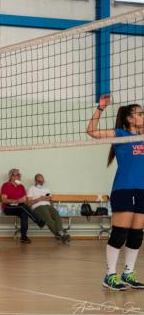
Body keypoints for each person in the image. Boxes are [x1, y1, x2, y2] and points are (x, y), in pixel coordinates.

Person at [87, 94, 144, 291]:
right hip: (124, 189)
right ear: (130, 118)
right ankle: (110, 275)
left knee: (137, 234)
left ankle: (128, 273)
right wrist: (101, 108)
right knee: (120, 233)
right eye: (140, 114)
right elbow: (91, 131)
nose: (143, 116)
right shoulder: (121, 134)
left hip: (142, 190)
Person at [1, 169, 45, 243]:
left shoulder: (21, 186)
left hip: (20, 207)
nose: (19, 176)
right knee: (23, 207)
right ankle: (38, 221)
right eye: (17, 175)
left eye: (20, 175)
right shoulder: (6, 185)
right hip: (8, 207)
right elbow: (4, 200)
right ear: (12, 176)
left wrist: (22, 200)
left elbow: (24, 200)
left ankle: (23, 237)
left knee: (24, 213)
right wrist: (17, 201)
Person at [26, 174, 70, 243]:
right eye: (39, 180)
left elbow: (50, 200)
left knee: (57, 216)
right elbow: (28, 203)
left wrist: (49, 199)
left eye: (42, 181)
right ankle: (61, 234)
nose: (41, 182)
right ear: (35, 181)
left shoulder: (46, 189)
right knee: (48, 219)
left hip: (48, 205)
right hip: (38, 206)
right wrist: (39, 199)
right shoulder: (31, 189)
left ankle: (60, 234)